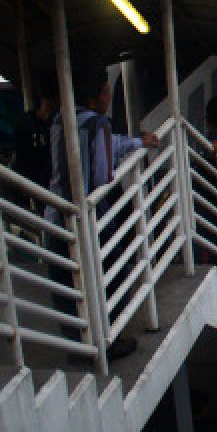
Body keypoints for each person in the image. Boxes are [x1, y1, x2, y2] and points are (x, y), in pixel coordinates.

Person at [48, 65, 158, 361]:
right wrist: (140, 145)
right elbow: (102, 176)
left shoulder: (60, 118)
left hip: (56, 212)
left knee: (68, 282)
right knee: (112, 273)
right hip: (90, 215)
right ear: (96, 97)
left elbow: (112, 144)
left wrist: (135, 142)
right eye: (107, 91)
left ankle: (77, 342)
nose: (110, 96)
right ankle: (108, 340)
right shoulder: (99, 124)